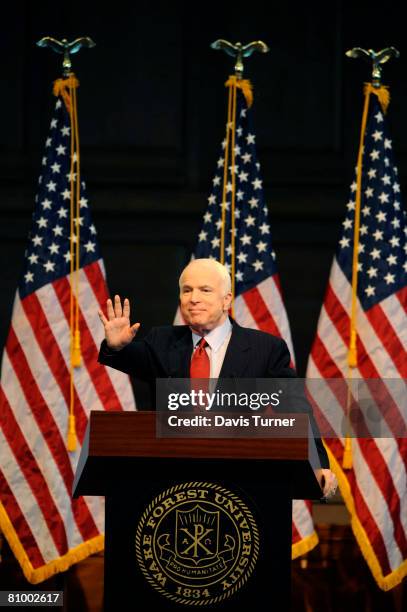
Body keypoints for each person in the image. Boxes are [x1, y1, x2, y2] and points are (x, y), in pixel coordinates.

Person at [98, 258, 337, 497]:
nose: (193, 298)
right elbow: (129, 358)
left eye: (205, 290)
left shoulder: (265, 349)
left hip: (242, 487)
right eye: (187, 290)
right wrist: (116, 347)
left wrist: (319, 466)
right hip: (173, 489)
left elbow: (297, 411)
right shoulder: (162, 341)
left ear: (226, 300)